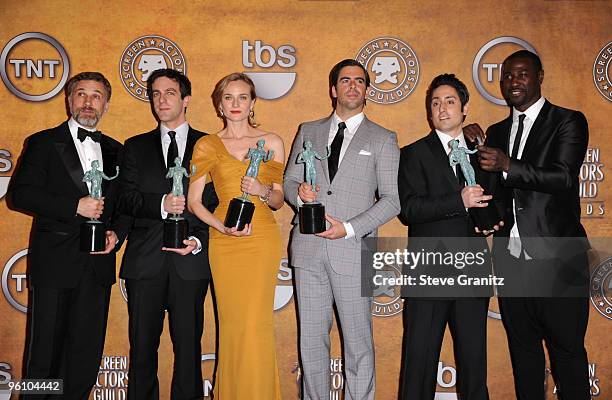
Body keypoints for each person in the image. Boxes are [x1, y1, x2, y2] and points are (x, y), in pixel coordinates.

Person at [465, 50, 591, 400]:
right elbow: (494, 193)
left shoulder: (568, 121)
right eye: (507, 76)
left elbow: (563, 177)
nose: (513, 81)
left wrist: (508, 163)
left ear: (539, 76)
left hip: (560, 260)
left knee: (567, 354)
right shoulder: (498, 131)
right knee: (524, 358)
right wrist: (476, 151)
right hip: (512, 260)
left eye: (522, 74)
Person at [283, 59, 400, 399]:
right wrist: (297, 193)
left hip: (353, 250)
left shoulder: (383, 138)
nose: (352, 86)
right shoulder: (309, 130)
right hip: (307, 248)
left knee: (358, 344)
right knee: (311, 342)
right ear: (333, 89)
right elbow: (289, 181)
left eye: (359, 81)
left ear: (367, 90)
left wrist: (349, 229)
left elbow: (393, 201)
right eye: (345, 80)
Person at [8, 71, 123, 399]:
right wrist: (74, 206)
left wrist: (116, 233)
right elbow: (21, 195)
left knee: (85, 357)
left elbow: (124, 205)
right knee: (43, 356)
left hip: (97, 267)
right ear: (69, 100)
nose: (89, 102)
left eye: (96, 95)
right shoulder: (43, 142)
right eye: (82, 94)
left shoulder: (116, 150)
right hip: (55, 263)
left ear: (106, 104)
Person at [116, 68, 217, 400]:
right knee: (142, 347)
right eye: (156, 94)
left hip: (191, 262)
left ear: (186, 99)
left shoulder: (210, 145)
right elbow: (125, 199)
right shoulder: (134, 146)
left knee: (189, 348)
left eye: (170, 92)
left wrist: (199, 239)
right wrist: (159, 203)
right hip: (145, 261)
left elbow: (218, 201)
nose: (162, 100)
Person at [187, 72, 285, 399]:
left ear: (253, 103)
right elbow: (194, 202)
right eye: (228, 98)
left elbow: (278, 200)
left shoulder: (271, 142)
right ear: (219, 104)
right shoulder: (207, 144)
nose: (235, 104)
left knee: (256, 325)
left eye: (243, 97)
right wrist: (220, 228)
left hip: (261, 239)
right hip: (225, 241)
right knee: (230, 325)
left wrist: (261, 190)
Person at [397, 73, 492, 400]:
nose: (442, 108)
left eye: (449, 101)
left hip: (472, 270)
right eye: (435, 103)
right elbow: (408, 209)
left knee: (474, 366)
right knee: (418, 367)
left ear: (464, 108)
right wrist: (458, 200)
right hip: (429, 271)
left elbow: (495, 205)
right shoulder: (413, 153)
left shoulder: (483, 155)